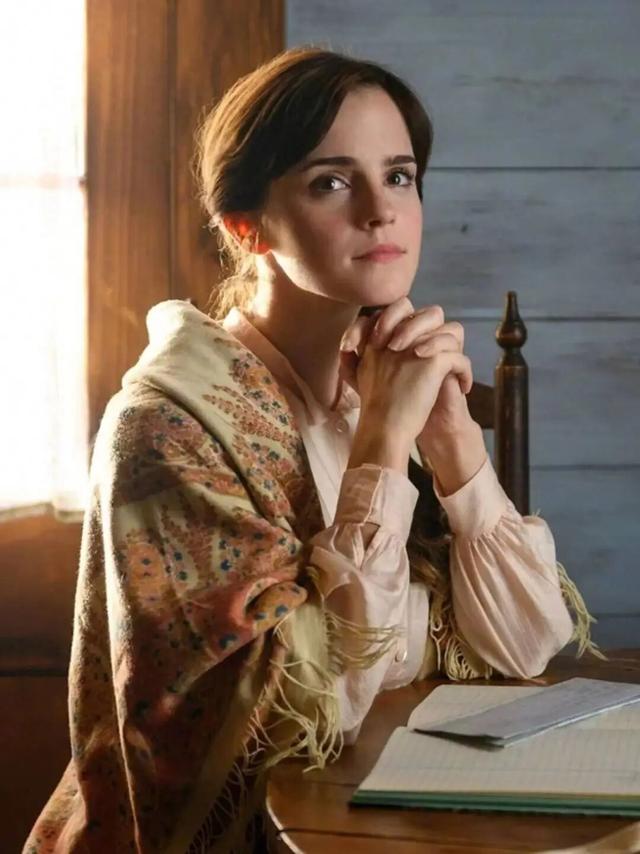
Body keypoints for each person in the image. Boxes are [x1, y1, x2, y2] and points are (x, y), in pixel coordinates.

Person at [24, 45, 602, 854]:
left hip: (399, 819)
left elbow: (526, 643)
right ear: (245, 225)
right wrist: (380, 448)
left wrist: (452, 444)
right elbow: (295, 718)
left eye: (399, 175)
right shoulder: (165, 429)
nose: (381, 210)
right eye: (332, 182)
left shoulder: (386, 382)